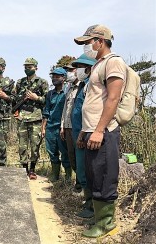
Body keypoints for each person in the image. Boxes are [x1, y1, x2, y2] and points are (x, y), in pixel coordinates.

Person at [74, 24, 126, 238]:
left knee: (104, 175)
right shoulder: (98, 65)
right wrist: (85, 131)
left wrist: (99, 130)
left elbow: (113, 98)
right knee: (94, 174)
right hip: (91, 129)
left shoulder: (113, 62)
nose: (87, 46)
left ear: (100, 41)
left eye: (88, 42)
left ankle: (106, 223)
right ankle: (97, 217)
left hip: (103, 131)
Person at [70, 54, 96, 219]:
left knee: (88, 171)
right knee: (81, 170)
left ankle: (92, 207)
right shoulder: (82, 85)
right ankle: (88, 202)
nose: (77, 70)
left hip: (85, 135)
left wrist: (82, 134)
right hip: (78, 134)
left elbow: (90, 112)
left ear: (88, 68)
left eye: (80, 67)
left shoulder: (92, 86)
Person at [13, 57, 48, 179]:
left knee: (35, 146)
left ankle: (32, 169)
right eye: (26, 67)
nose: (27, 69)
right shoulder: (20, 82)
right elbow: (15, 99)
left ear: (36, 68)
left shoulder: (42, 82)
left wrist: (36, 98)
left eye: (30, 67)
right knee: (22, 146)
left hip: (35, 119)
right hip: (22, 118)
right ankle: (24, 169)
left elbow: (46, 101)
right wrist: (15, 111)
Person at [41, 67, 70, 182]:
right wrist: (43, 128)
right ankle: (55, 174)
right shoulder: (50, 94)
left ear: (64, 78)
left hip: (62, 128)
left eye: (57, 76)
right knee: (51, 151)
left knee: (65, 152)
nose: (54, 78)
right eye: (53, 76)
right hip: (51, 127)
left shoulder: (67, 93)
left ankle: (68, 176)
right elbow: (46, 111)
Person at [60, 63, 80, 188]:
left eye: (71, 70)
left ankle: (80, 185)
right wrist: (62, 126)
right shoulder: (69, 88)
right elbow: (65, 109)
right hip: (67, 127)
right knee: (71, 156)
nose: (69, 73)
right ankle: (77, 181)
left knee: (79, 158)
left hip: (77, 128)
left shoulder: (82, 87)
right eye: (67, 70)